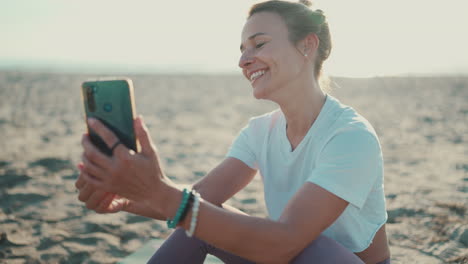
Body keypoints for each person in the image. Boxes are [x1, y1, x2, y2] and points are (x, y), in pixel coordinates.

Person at [75, 0, 391, 263]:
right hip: (287, 256)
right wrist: (123, 197)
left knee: (311, 245)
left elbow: (285, 242)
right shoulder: (260, 131)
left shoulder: (350, 136)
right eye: (242, 49)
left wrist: (167, 196)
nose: (243, 60)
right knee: (198, 220)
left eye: (259, 44)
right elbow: (200, 199)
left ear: (307, 45)